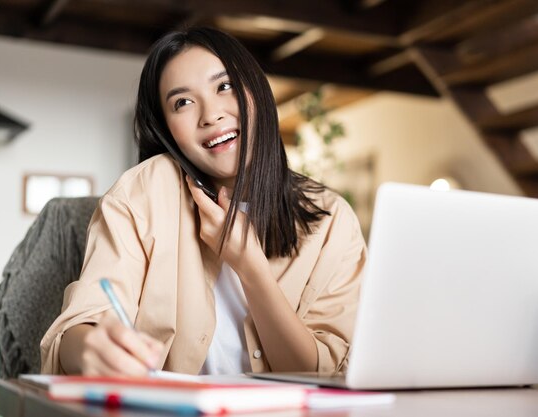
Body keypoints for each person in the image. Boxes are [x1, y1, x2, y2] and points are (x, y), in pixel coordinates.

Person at [40, 27, 366, 377]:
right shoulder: (142, 193)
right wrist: (90, 350)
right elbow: (78, 328)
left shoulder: (331, 219)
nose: (210, 115)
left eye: (224, 86)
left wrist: (251, 268)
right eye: (182, 102)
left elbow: (322, 376)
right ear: (165, 128)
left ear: (256, 90)